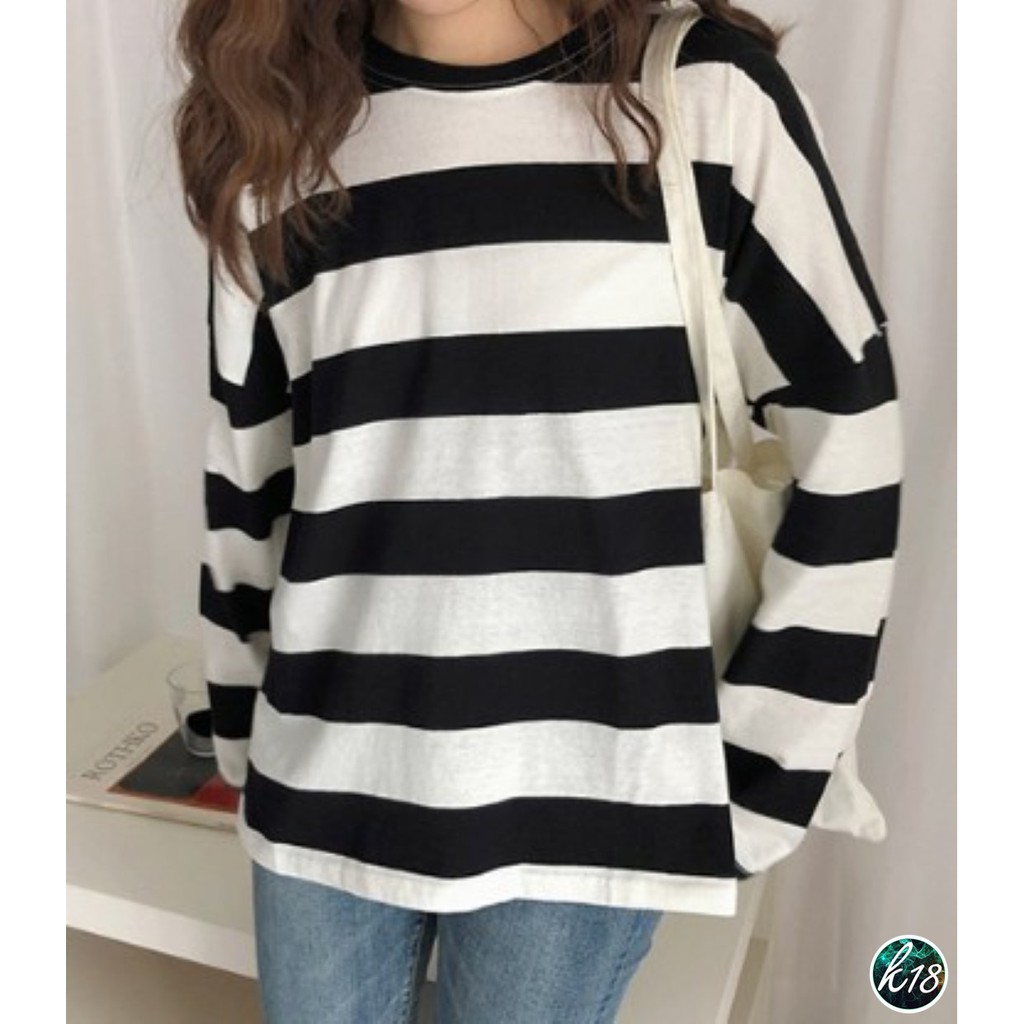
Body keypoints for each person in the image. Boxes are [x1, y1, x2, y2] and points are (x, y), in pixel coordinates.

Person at [173, 0, 902, 1020]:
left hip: (594, 794)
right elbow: (247, 482)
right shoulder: (278, 136)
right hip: (321, 783)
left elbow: (850, 433)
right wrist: (247, 742)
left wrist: (770, 758)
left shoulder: (706, 96)